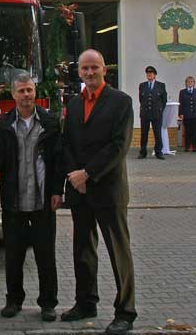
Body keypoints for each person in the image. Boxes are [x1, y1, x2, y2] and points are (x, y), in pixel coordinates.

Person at [60, 49, 137, 335]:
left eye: (94, 68)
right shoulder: (74, 104)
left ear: (104, 69)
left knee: (119, 251)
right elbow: (66, 142)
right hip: (80, 191)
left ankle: (125, 312)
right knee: (83, 250)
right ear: (78, 72)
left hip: (108, 189)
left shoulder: (121, 102)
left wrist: (88, 173)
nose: (89, 73)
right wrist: (73, 175)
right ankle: (86, 303)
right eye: (84, 69)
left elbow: (119, 146)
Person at [0, 71, 62, 322]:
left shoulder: (50, 122)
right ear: (13, 94)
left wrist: (58, 190)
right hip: (14, 201)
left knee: (45, 256)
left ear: (34, 92)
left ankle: (48, 303)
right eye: (21, 91)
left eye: (30, 90)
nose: (26, 95)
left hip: (42, 200)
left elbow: (58, 160)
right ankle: (13, 300)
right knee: (13, 256)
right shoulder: (4, 125)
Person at [138, 65, 167, 159]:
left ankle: (159, 152)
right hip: (145, 113)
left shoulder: (161, 85)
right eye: (148, 73)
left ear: (155, 75)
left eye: (151, 73)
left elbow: (164, 100)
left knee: (157, 133)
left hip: (156, 113)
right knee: (144, 133)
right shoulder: (142, 85)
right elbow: (141, 99)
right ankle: (143, 152)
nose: (149, 75)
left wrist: (159, 109)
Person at [178, 76, 196, 152]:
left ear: (194, 83)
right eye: (188, 82)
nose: (190, 83)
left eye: (191, 82)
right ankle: (187, 146)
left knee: (194, 131)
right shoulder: (182, 92)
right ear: (186, 83)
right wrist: (181, 113)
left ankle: (194, 146)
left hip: (195, 114)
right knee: (187, 131)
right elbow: (181, 103)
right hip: (186, 114)